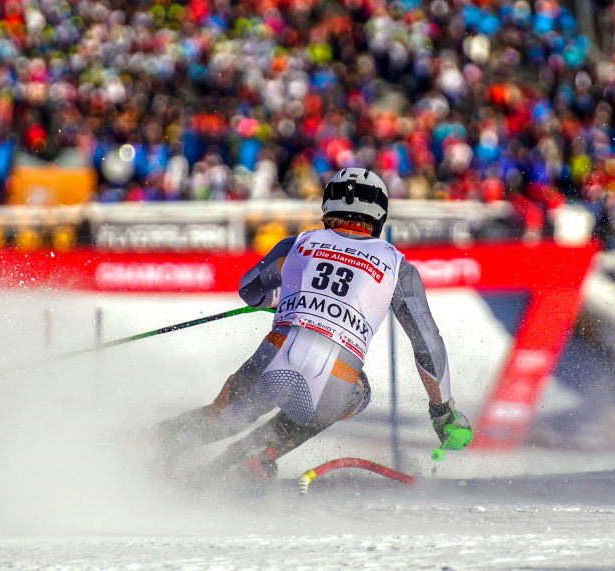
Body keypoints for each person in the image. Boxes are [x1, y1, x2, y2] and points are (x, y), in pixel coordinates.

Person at [153, 167, 472, 484]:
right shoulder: (398, 266)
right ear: (379, 214)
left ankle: (140, 446)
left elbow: (250, 289)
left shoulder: (298, 243)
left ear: (328, 205)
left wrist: (281, 300)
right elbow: (427, 343)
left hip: (269, 364)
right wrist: (442, 412)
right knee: (360, 391)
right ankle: (249, 458)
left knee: (217, 420)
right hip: (333, 386)